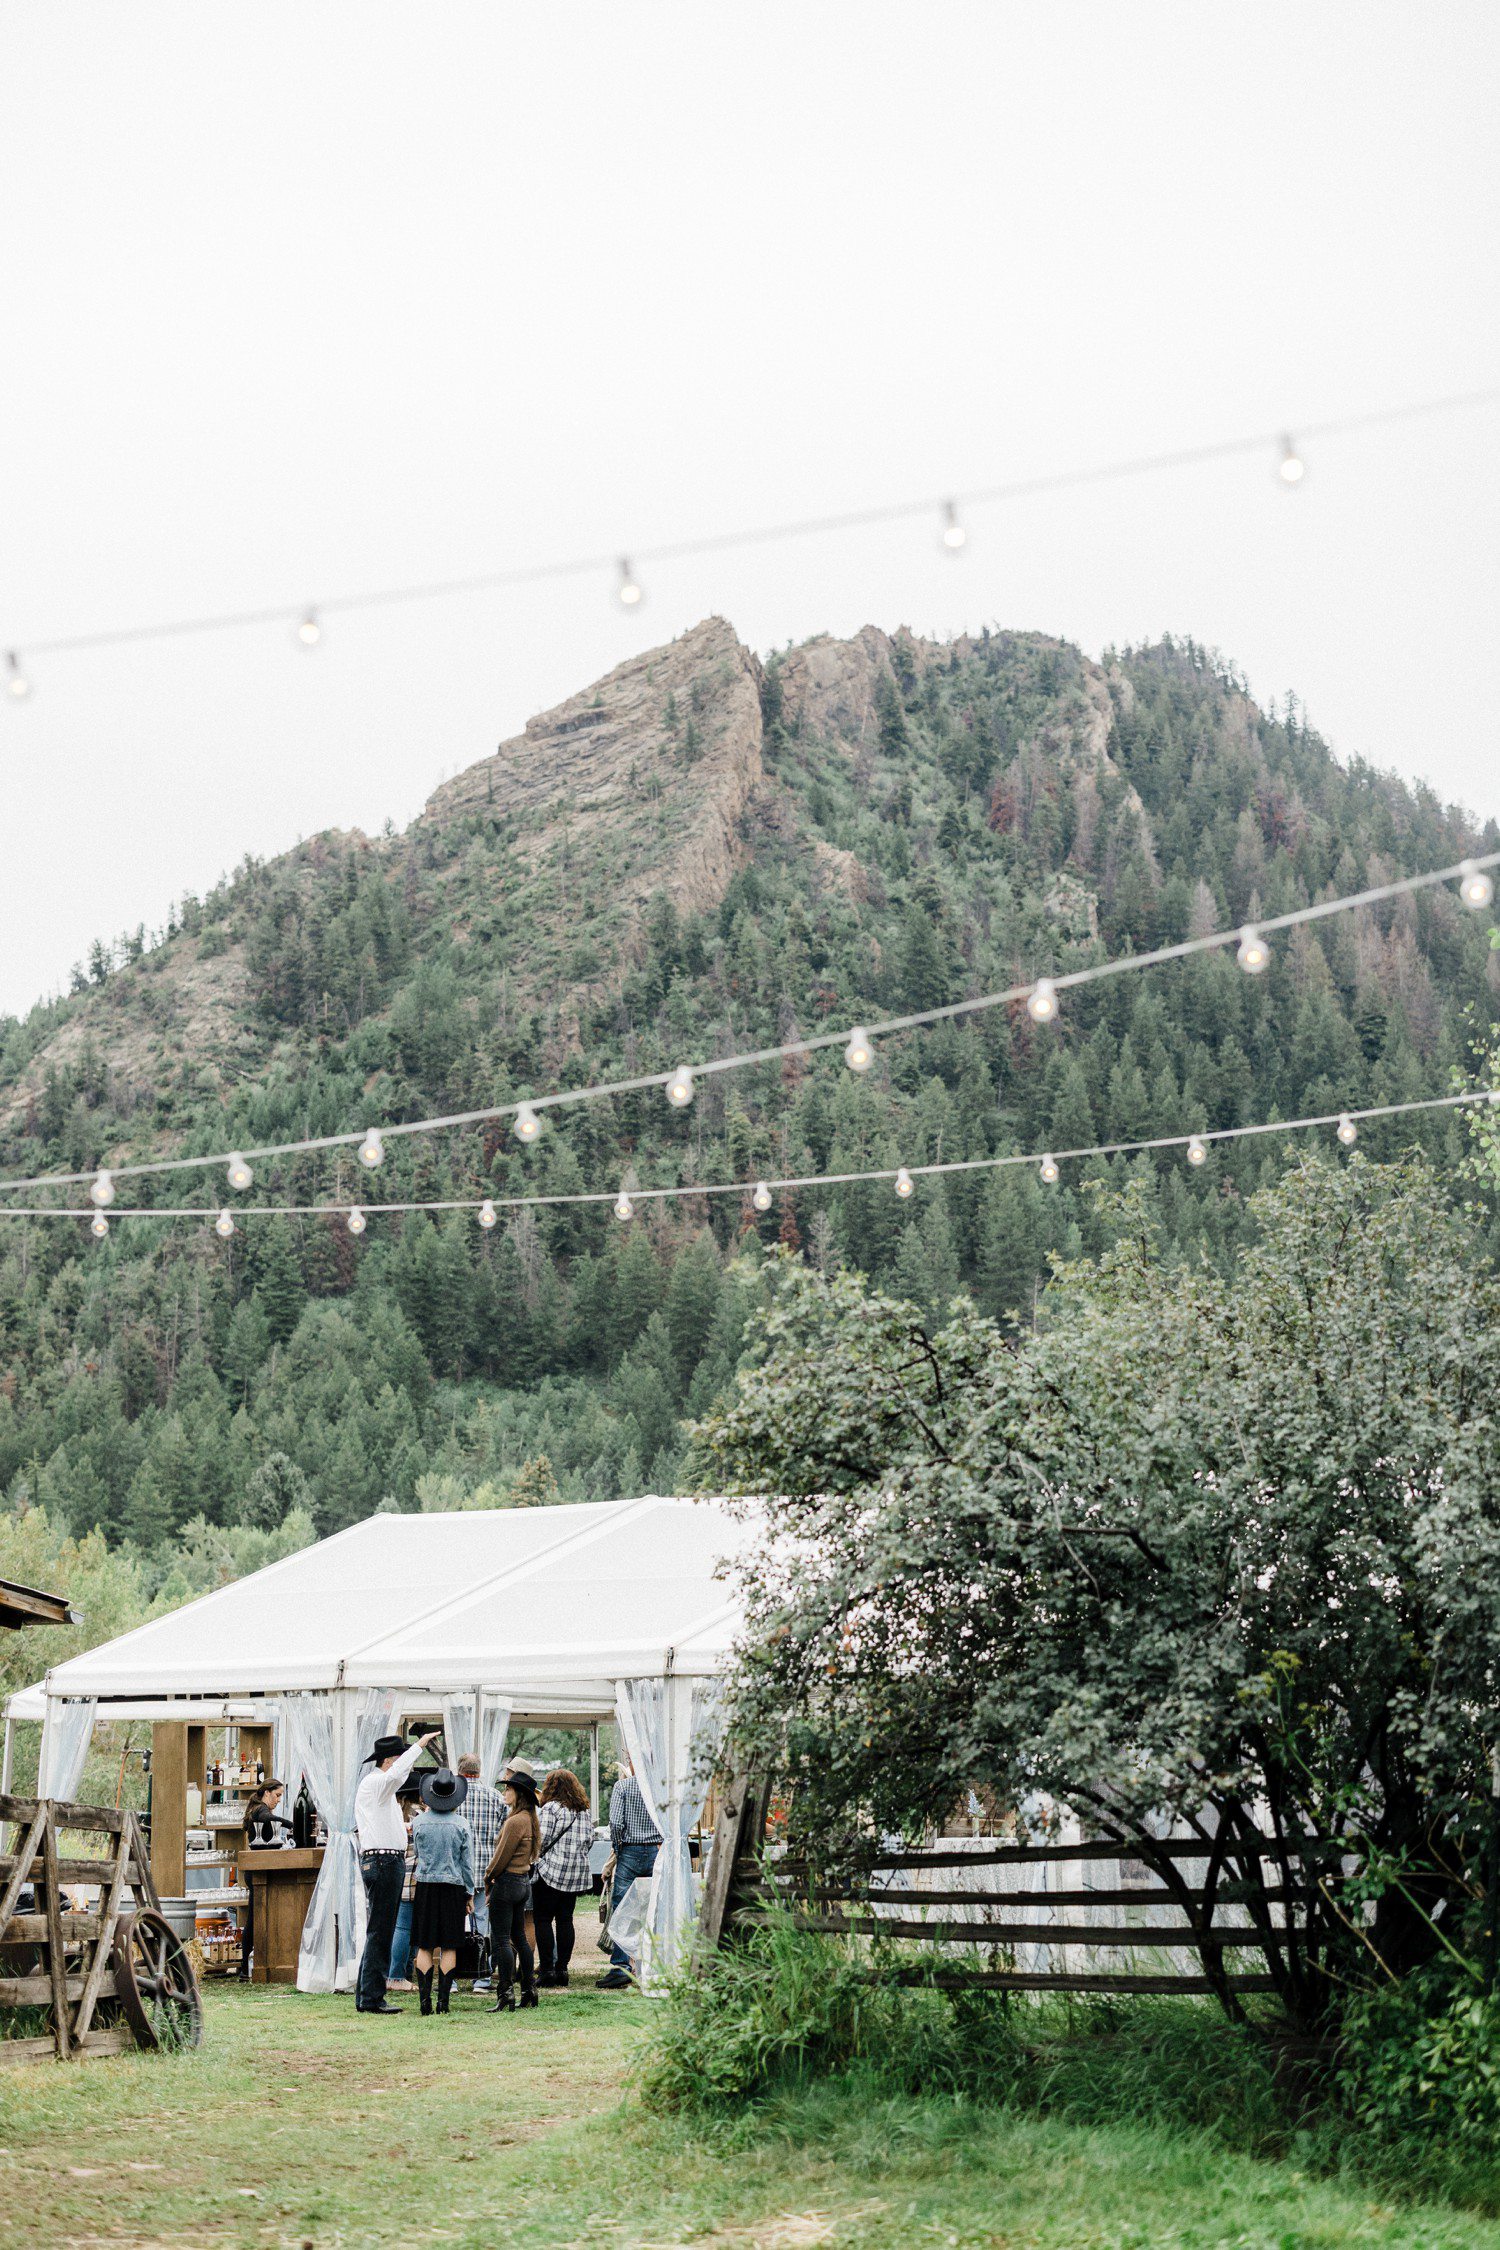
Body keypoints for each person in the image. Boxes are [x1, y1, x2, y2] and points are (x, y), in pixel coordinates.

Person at [354, 1727, 439, 2014]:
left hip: (384, 1860)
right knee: (381, 1930)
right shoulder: (376, 1783)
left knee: (379, 1929)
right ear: (390, 1760)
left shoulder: (380, 1788)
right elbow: (396, 1775)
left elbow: (397, 1776)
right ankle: (371, 1997)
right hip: (384, 1862)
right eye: (402, 1759)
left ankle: (367, 1993)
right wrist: (420, 1745)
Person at [411, 1766, 476, 2016]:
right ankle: (444, 2003)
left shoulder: (419, 1822)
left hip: (426, 1885)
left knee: (425, 1945)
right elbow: (466, 1863)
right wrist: (469, 1893)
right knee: (449, 1945)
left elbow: (417, 1854)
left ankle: (425, 2002)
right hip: (453, 1887)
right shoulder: (461, 1824)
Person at [599, 1757, 661, 1990]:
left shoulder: (623, 1787)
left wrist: (618, 1847)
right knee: (651, 1907)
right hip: (656, 1850)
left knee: (622, 1907)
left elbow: (615, 1823)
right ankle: (650, 1963)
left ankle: (621, 1965)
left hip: (630, 1850)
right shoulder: (658, 1788)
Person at [485, 1768, 540, 2011]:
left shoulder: (515, 1821)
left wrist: (488, 1878)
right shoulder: (529, 1819)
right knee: (519, 1938)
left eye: (508, 1788)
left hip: (506, 1883)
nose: (504, 1792)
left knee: (502, 1941)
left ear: (518, 1793)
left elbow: (500, 1857)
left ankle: (505, 1992)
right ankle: (529, 1989)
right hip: (522, 1882)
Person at [533, 1767, 594, 1987]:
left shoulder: (551, 1808)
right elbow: (589, 1841)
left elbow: (541, 1839)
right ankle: (563, 1970)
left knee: (543, 1919)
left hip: (551, 1871)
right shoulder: (583, 1811)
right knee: (565, 1920)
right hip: (575, 1873)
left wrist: (536, 1860)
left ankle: (547, 1969)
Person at [456, 1753, 504, 1993]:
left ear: (459, 1770)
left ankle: (451, 1978)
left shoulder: (454, 1796)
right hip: (486, 1869)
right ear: (480, 1770)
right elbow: (504, 1833)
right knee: (482, 1924)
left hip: (457, 1871)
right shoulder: (495, 1796)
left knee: (455, 1923)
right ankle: (482, 1979)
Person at [237, 1777, 290, 1982]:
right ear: (266, 1793)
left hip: (258, 1869)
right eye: (277, 1795)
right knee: (254, 1918)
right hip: (257, 1870)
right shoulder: (260, 1810)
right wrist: (289, 1823)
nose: (278, 1800)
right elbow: (268, 1818)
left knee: (255, 1916)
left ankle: (247, 1966)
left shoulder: (256, 1808)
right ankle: (245, 1967)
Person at [386, 1792, 419, 1993]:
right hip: (412, 1878)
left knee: (401, 1928)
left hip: (398, 1875)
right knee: (406, 1929)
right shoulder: (415, 1818)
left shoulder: (390, 1816)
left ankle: (401, 1972)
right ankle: (398, 1974)